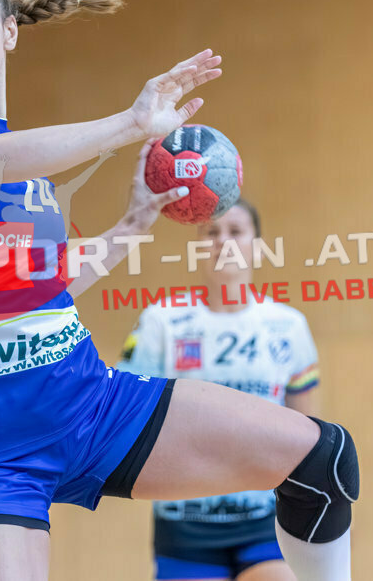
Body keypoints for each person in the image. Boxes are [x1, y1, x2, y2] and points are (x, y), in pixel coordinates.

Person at [0, 0, 358, 581]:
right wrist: (131, 124)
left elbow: (43, 287)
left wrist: (131, 226)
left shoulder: (30, 181)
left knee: (322, 458)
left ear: (9, 30)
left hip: (87, 401)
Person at [118, 199, 320, 581]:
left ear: (258, 247)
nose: (222, 242)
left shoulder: (288, 326)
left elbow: (308, 432)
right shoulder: (162, 322)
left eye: (235, 232)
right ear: (196, 246)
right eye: (211, 232)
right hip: (185, 520)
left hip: (267, 519)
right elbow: (128, 415)